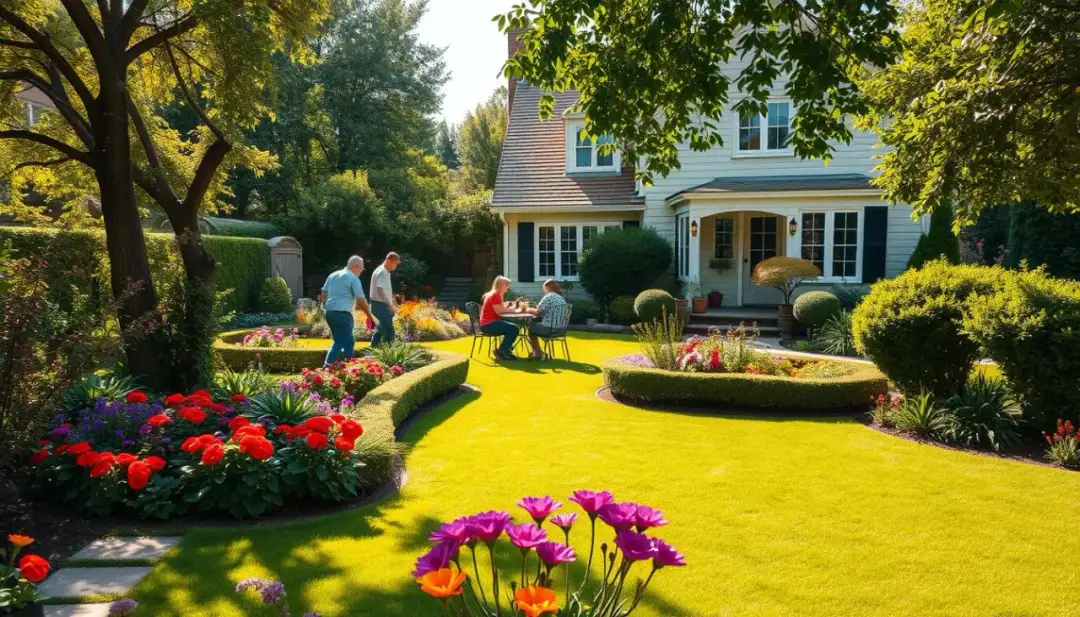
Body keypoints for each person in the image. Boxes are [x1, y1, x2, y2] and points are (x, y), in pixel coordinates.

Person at [320, 256, 377, 366]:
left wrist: (324, 307)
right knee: (340, 341)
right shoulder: (353, 278)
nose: (361, 271)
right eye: (361, 268)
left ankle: (349, 362)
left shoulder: (333, 275)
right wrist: (370, 316)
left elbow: (324, 292)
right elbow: (361, 300)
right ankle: (327, 366)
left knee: (349, 340)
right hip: (343, 314)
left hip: (330, 313)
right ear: (355, 266)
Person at [524, 279, 569, 359]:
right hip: (560, 329)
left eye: (544, 288)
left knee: (531, 328)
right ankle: (538, 352)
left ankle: (538, 353)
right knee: (535, 327)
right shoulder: (561, 298)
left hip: (550, 329)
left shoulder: (549, 296)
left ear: (547, 287)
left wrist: (527, 309)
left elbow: (537, 312)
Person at [479, 275, 521, 360]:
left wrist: (510, 307)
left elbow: (501, 309)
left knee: (514, 328)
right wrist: (514, 310)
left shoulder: (495, 294)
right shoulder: (495, 295)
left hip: (488, 323)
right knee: (513, 328)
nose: (507, 287)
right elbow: (499, 311)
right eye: (506, 285)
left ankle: (502, 351)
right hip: (488, 324)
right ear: (500, 285)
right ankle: (503, 351)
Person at [369, 252, 400, 347]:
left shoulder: (384, 272)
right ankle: (388, 351)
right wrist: (390, 305)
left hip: (380, 304)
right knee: (388, 329)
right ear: (389, 261)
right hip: (380, 305)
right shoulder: (382, 272)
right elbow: (380, 289)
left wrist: (393, 303)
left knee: (381, 328)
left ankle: (374, 348)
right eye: (395, 264)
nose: (395, 267)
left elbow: (385, 290)